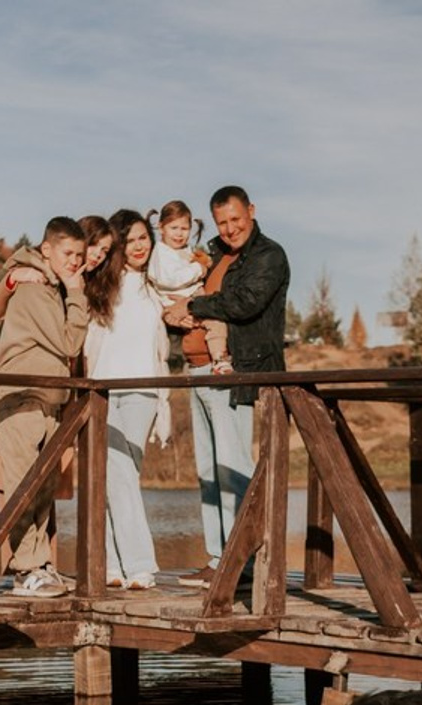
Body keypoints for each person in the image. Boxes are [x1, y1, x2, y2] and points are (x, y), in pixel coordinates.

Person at [163, 186, 290, 589]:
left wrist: (194, 307)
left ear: (251, 211)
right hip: (198, 369)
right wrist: (177, 313)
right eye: (222, 222)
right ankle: (218, 560)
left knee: (233, 467)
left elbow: (245, 302)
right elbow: (183, 291)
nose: (230, 228)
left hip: (234, 371)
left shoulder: (268, 255)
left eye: (236, 219)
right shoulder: (212, 253)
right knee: (208, 471)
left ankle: (243, 564)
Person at [0, 216, 89, 597]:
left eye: (79, 255)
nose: (75, 262)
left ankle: (39, 563)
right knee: (22, 487)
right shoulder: (34, 288)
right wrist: (78, 293)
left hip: (48, 400)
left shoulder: (49, 285)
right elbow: (68, 343)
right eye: (68, 253)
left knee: (42, 488)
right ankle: (25, 569)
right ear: (47, 250)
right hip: (22, 397)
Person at [83, 208, 171, 591]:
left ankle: (126, 563)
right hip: (102, 390)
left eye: (144, 237)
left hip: (143, 391)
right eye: (132, 239)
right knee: (112, 475)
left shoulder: (157, 285)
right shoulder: (101, 283)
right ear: (118, 243)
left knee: (121, 473)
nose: (141, 246)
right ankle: (124, 565)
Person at [146, 199, 230, 373]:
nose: (179, 234)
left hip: (190, 299)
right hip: (176, 303)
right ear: (161, 227)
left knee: (214, 323)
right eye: (173, 228)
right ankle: (219, 359)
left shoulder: (182, 250)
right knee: (215, 321)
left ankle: (216, 358)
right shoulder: (161, 253)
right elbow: (170, 279)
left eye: (184, 229)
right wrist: (198, 269)